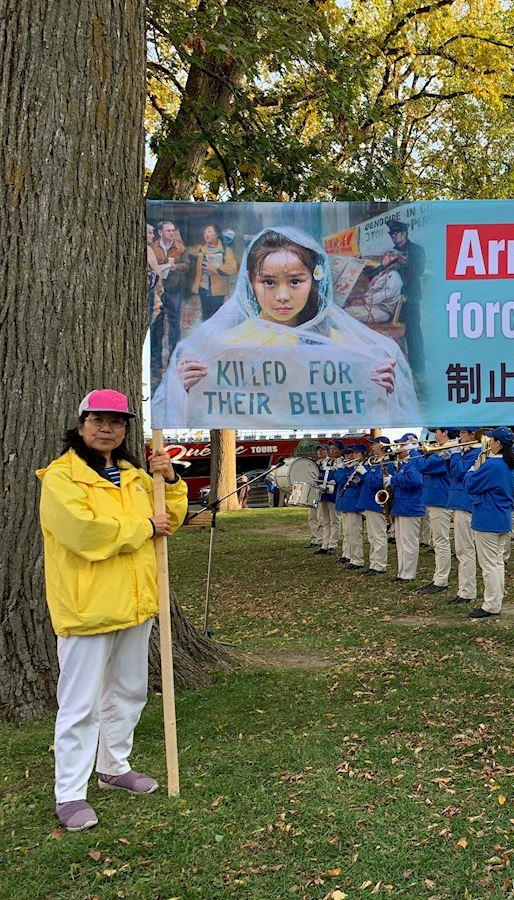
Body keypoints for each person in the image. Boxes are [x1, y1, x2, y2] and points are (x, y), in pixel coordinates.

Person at [37, 389, 187, 832]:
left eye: (116, 422)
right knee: (80, 704)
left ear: (125, 429)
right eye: (98, 420)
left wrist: (171, 481)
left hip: (136, 603)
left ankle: (113, 766)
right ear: (81, 424)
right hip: (87, 607)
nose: (107, 429)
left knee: (128, 691)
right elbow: (82, 532)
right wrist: (144, 527)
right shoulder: (62, 477)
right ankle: (70, 793)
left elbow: (170, 519)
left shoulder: (136, 476)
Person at [151, 226, 417, 428]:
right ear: (250, 282)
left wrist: (383, 391)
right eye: (268, 282)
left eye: (295, 282)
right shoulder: (219, 346)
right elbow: (181, 417)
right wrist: (182, 390)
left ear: (314, 280)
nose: (282, 296)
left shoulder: (348, 347)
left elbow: (377, 419)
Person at [465, 428, 514, 619]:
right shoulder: (510, 465)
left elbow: (470, 484)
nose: (489, 443)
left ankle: (491, 605)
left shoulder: (492, 465)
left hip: (488, 518)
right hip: (502, 517)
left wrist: (472, 469)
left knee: (489, 565)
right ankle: (495, 601)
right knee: (496, 563)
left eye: (492, 440)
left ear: (498, 444)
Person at [413, 427, 456, 595]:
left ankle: (441, 580)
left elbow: (423, 466)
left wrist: (414, 451)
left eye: (436, 431)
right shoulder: (441, 450)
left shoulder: (447, 451)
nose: (434, 435)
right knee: (438, 541)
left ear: (445, 432)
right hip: (435, 499)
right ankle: (438, 577)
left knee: (441, 541)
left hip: (441, 499)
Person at [445, 427, 483, 604]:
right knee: (462, 549)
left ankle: (467, 591)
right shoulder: (465, 452)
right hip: (459, 502)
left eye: (462, 433)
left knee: (465, 549)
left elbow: (460, 473)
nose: (459, 437)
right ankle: (464, 589)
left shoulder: (476, 453)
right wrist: (449, 457)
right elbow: (452, 474)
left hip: (465, 503)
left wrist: (454, 454)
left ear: (472, 435)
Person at [149, 220, 190, 378]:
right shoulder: (153, 248)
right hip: (158, 289)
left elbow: (187, 265)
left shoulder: (180, 248)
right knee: (156, 326)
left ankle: (173, 361)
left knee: (174, 324)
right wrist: (162, 265)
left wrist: (176, 267)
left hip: (173, 289)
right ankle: (156, 364)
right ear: (160, 232)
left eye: (173, 230)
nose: (171, 233)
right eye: (168, 231)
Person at [386, 219, 426, 375]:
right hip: (392, 299)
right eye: (391, 234)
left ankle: (418, 370)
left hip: (410, 298)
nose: (394, 236)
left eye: (396, 233)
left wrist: (404, 263)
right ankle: (401, 370)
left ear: (404, 233)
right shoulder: (392, 252)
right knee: (392, 334)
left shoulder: (416, 250)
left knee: (413, 334)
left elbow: (419, 270)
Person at [390, 439, 425, 583]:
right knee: (401, 542)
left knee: (409, 542)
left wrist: (393, 479)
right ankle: (402, 572)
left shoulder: (414, 462)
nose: (399, 448)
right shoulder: (405, 463)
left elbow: (415, 481)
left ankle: (409, 574)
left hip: (410, 506)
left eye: (403, 445)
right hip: (401, 505)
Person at [357, 436, 393, 576]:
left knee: (378, 535)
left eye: (374, 444)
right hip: (369, 502)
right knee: (372, 536)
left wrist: (365, 473)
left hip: (377, 504)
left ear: (381, 445)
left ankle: (380, 565)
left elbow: (378, 482)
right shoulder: (374, 462)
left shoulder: (387, 462)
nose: (371, 447)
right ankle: (374, 563)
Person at [191, 223, 237, 321]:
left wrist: (215, 269)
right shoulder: (201, 249)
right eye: (205, 232)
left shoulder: (225, 250)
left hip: (218, 290)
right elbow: (187, 250)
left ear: (217, 234)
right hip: (203, 288)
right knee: (205, 317)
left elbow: (233, 268)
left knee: (216, 318)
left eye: (209, 232)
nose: (206, 234)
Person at [336, 443, 368, 570]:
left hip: (353, 503)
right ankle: (348, 554)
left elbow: (343, 479)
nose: (350, 456)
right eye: (350, 453)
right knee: (347, 532)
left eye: (354, 453)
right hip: (345, 502)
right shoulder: (349, 467)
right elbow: (339, 479)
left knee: (354, 532)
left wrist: (341, 470)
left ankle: (357, 559)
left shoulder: (360, 467)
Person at [315, 440, 344, 554]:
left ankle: (333, 544)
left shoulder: (342, 461)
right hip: (324, 493)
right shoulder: (326, 462)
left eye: (334, 449)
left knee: (334, 520)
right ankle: (325, 544)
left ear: (340, 450)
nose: (332, 452)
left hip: (334, 493)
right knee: (325, 520)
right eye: (331, 449)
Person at [307, 445, 328, 547]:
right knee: (312, 517)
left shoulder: (329, 463)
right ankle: (314, 538)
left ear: (327, 451)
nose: (319, 452)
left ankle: (321, 539)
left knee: (320, 517)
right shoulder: (315, 463)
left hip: (321, 492)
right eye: (318, 450)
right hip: (313, 491)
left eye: (322, 450)